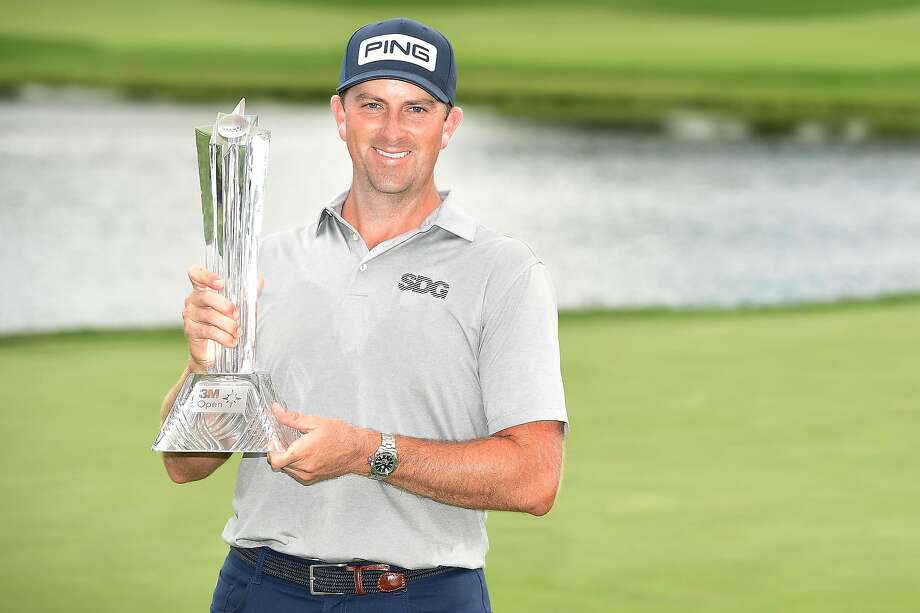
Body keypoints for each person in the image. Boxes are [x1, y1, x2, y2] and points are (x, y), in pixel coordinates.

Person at [159, 17, 568, 613]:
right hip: (261, 586)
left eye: (417, 108)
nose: (392, 129)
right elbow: (184, 463)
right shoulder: (264, 261)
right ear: (340, 116)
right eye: (372, 104)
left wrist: (368, 452)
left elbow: (536, 479)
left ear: (449, 125)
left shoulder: (504, 271)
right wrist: (205, 368)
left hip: (421, 595)